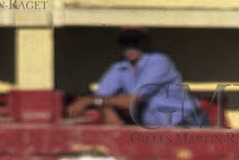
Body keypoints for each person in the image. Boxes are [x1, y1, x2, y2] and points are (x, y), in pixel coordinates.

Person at [66, 29, 206, 129]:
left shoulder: (158, 61)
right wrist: (104, 106)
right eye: (125, 42)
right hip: (156, 130)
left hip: (187, 124)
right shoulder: (120, 66)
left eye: (135, 41)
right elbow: (100, 96)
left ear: (145, 42)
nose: (130, 46)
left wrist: (95, 101)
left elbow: (133, 100)